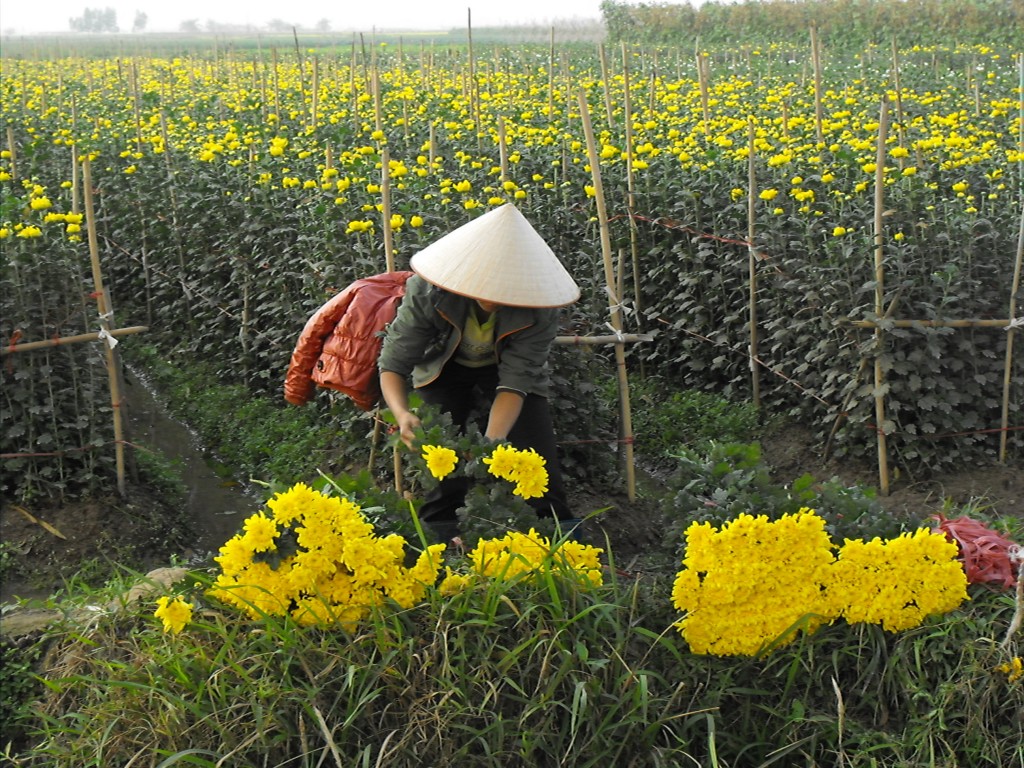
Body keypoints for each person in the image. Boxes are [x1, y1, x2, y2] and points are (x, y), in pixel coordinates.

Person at [377, 204, 580, 543]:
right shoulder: (428, 292)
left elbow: (516, 382)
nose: (494, 298)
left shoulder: (539, 310)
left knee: (536, 457)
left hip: (503, 369)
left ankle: (555, 538)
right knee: (441, 451)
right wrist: (401, 414)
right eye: (487, 287)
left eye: (506, 290)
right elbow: (393, 364)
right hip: (444, 366)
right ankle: (441, 537)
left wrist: (491, 444)